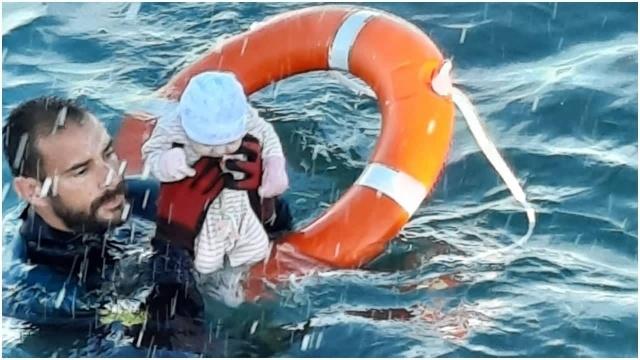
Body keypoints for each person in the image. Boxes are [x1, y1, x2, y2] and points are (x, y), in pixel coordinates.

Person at [1, 96, 298, 357]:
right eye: (81, 171)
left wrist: (260, 204)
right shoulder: (39, 292)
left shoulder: (135, 199)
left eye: (107, 153)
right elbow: (171, 342)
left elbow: (269, 236)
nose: (111, 177)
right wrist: (175, 239)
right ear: (32, 191)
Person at [141, 71, 289, 307]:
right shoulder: (173, 126)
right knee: (171, 273)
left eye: (229, 143)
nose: (221, 152)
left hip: (242, 204)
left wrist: (275, 168)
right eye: (210, 145)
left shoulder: (249, 120)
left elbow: (269, 140)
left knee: (275, 219)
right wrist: (166, 161)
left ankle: (270, 254)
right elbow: (152, 151)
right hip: (186, 222)